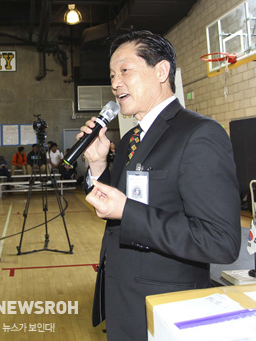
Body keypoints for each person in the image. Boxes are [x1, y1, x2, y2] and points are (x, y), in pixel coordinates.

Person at [79, 30, 241, 340]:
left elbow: (221, 241)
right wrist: (98, 164)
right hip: (122, 297)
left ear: (162, 71)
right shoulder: (129, 139)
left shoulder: (199, 134)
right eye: (112, 74)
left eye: (125, 70)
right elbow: (112, 205)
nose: (115, 83)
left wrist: (128, 211)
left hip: (168, 308)